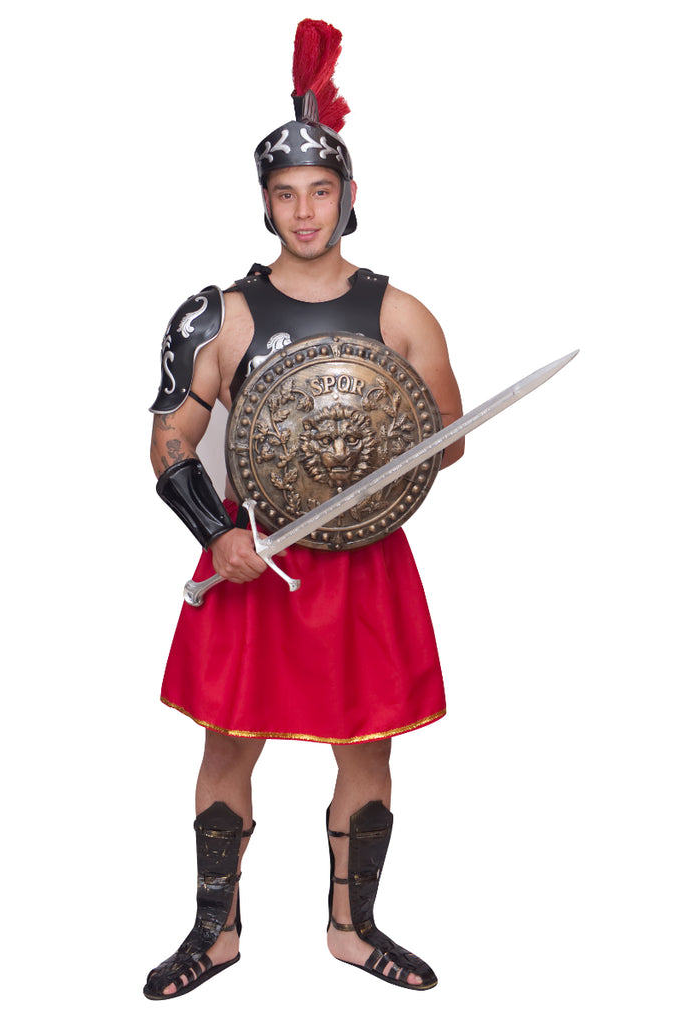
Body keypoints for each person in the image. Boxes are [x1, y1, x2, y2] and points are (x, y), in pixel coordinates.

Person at [143, 20, 464, 999]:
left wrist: (386, 441)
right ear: (264, 202)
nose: (304, 210)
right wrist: (216, 535)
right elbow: (169, 441)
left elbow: (447, 435)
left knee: (365, 743)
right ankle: (216, 932)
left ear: (348, 195)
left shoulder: (399, 313)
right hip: (252, 553)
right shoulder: (220, 315)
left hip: (362, 558)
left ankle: (351, 930)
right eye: (285, 194)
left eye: (320, 191)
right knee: (226, 740)